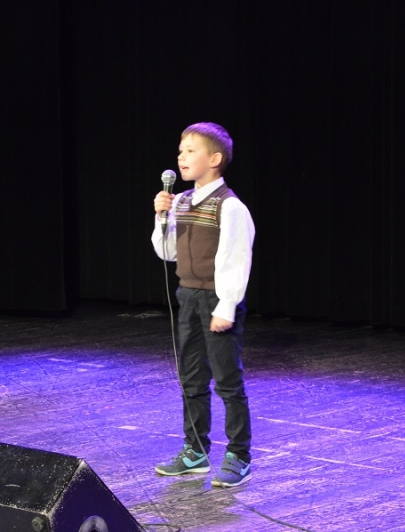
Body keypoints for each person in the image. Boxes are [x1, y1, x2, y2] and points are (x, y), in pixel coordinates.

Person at [151, 122, 255, 488]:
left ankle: (239, 454)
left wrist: (226, 306)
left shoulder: (229, 206)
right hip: (188, 296)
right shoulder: (179, 201)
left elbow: (236, 260)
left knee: (227, 381)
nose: (181, 157)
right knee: (191, 378)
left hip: (216, 298)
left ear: (214, 159)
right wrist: (161, 217)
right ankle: (195, 450)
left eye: (190, 150)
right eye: (180, 151)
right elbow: (167, 252)